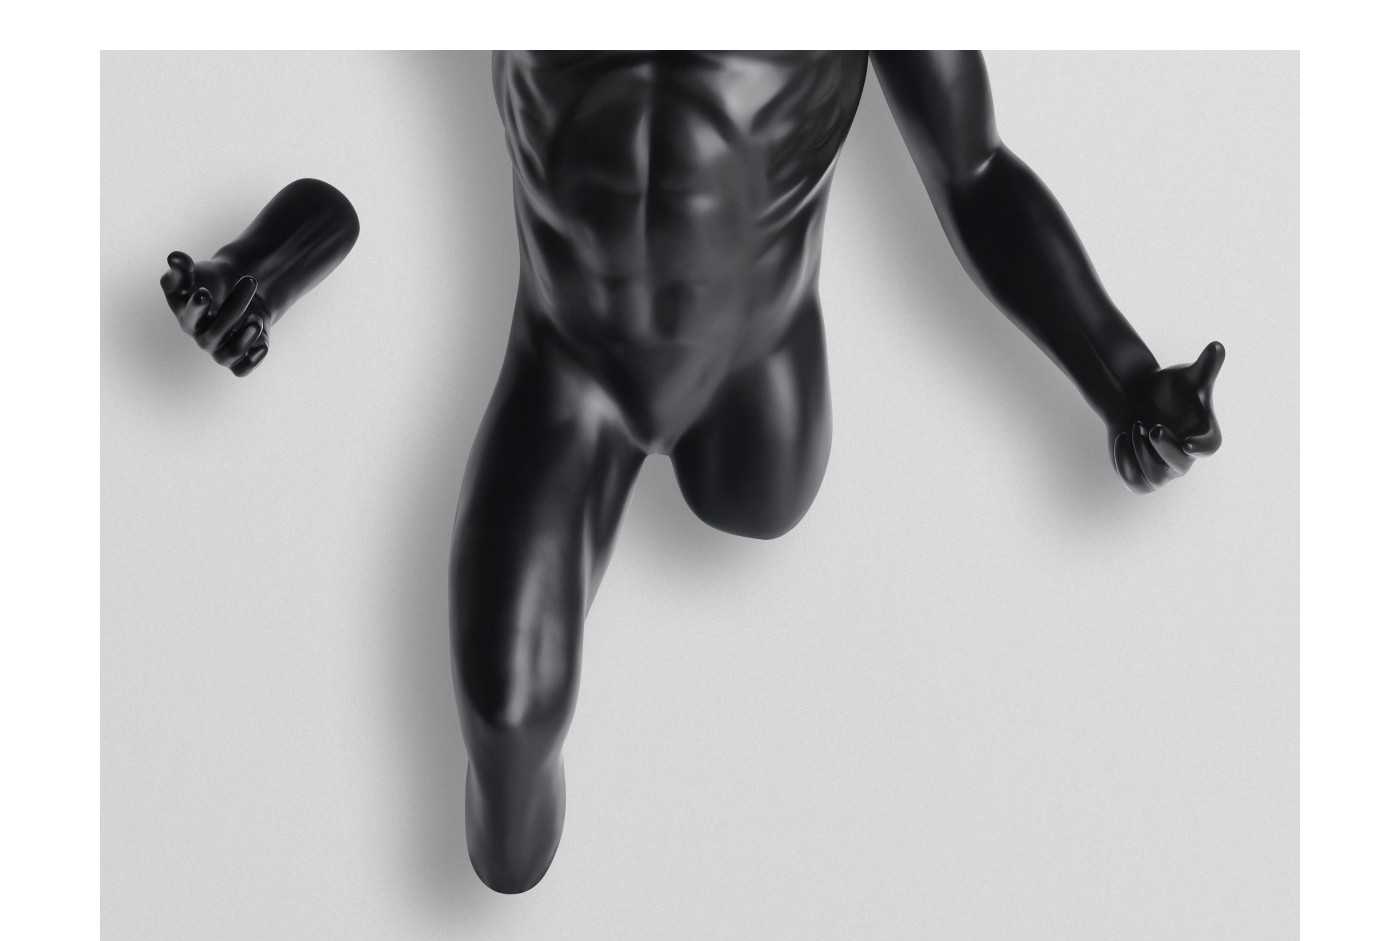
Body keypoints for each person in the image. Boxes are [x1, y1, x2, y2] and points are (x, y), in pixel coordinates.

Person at [162, 51, 1224, 893]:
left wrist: (1122, 377)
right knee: (504, 725)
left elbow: (976, 174)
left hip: (755, 383)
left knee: (758, 501)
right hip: (569, 371)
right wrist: (258, 268)